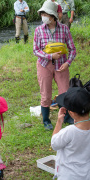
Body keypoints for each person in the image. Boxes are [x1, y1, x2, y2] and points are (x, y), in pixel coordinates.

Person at [33, 1, 76, 130]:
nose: (43, 16)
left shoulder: (64, 29)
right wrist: (50, 56)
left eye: (46, 14)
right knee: (46, 94)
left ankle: (67, 117)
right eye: (42, 14)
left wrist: (67, 63)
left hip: (61, 66)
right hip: (44, 65)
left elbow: (72, 49)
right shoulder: (39, 30)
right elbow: (35, 50)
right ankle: (46, 120)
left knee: (65, 92)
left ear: (53, 16)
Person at [51, 87, 90, 179]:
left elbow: (54, 144)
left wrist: (59, 121)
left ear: (71, 113)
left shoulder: (69, 131)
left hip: (69, 175)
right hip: (86, 174)